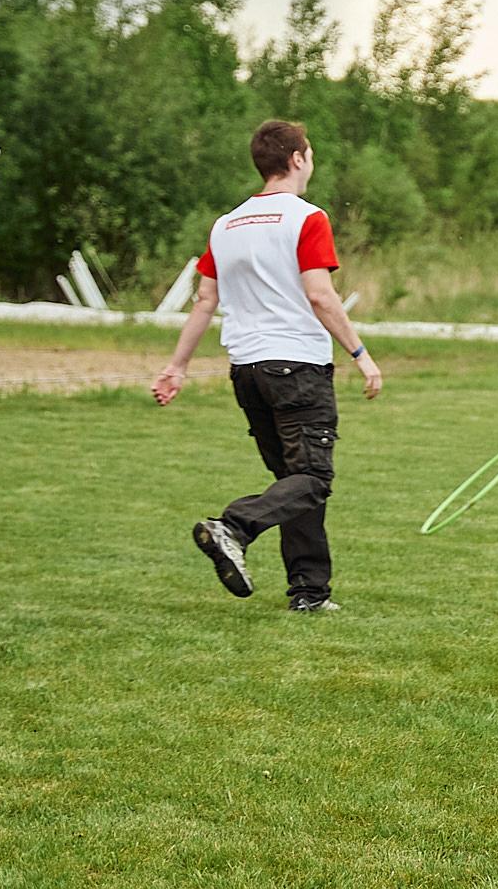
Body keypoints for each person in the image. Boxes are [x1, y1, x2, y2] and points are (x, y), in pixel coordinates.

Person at [152, 120, 384, 613]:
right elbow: (320, 294)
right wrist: (361, 355)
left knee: (293, 483)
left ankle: (309, 593)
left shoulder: (226, 224)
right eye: (311, 153)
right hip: (298, 366)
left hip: (247, 373)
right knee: (313, 479)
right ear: (298, 159)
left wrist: (177, 367)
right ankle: (231, 527)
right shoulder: (307, 217)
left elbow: (204, 301)